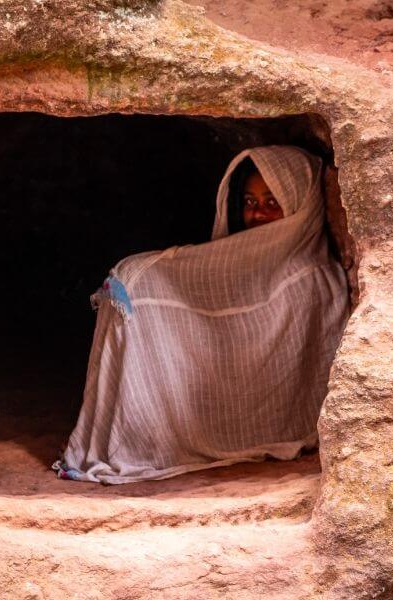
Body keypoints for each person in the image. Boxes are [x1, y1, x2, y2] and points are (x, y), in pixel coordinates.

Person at [53, 145, 349, 484]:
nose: (259, 213)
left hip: (240, 409)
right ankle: (114, 437)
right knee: (133, 279)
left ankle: (140, 442)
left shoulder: (313, 278)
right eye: (250, 202)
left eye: (273, 201)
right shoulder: (240, 264)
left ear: (302, 205)